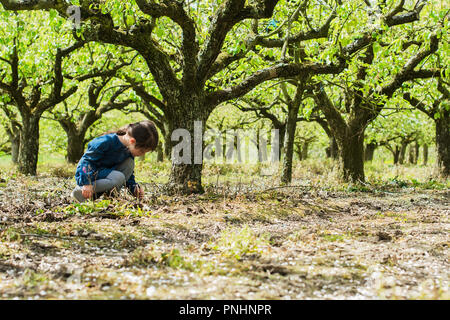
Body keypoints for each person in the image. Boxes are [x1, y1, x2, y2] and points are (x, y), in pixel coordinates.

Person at [71, 120, 158, 203]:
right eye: (141, 151)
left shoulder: (128, 149)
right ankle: (79, 191)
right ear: (132, 141)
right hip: (91, 176)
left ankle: (111, 196)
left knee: (129, 163)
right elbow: (86, 162)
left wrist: (134, 187)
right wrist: (86, 183)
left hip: (106, 177)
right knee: (119, 177)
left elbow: (128, 173)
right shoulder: (105, 142)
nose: (142, 155)